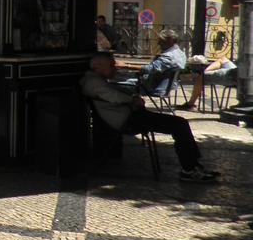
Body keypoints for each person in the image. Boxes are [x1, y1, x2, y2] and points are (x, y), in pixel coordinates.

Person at [80, 52, 219, 182]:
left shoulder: (95, 79)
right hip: (128, 120)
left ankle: (192, 165)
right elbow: (113, 96)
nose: (114, 69)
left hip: (131, 116)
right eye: (111, 66)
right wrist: (132, 100)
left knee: (179, 123)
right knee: (179, 124)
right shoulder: (92, 82)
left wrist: (131, 98)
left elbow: (113, 93)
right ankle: (189, 169)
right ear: (97, 67)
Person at [119, 29, 187, 95]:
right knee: (127, 78)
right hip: (168, 86)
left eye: (161, 41)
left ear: (170, 41)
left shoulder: (168, 56)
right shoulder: (181, 54)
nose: (158, 43)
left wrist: (126, 65)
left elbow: (150, 68)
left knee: (118, 84)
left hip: (154, 88)